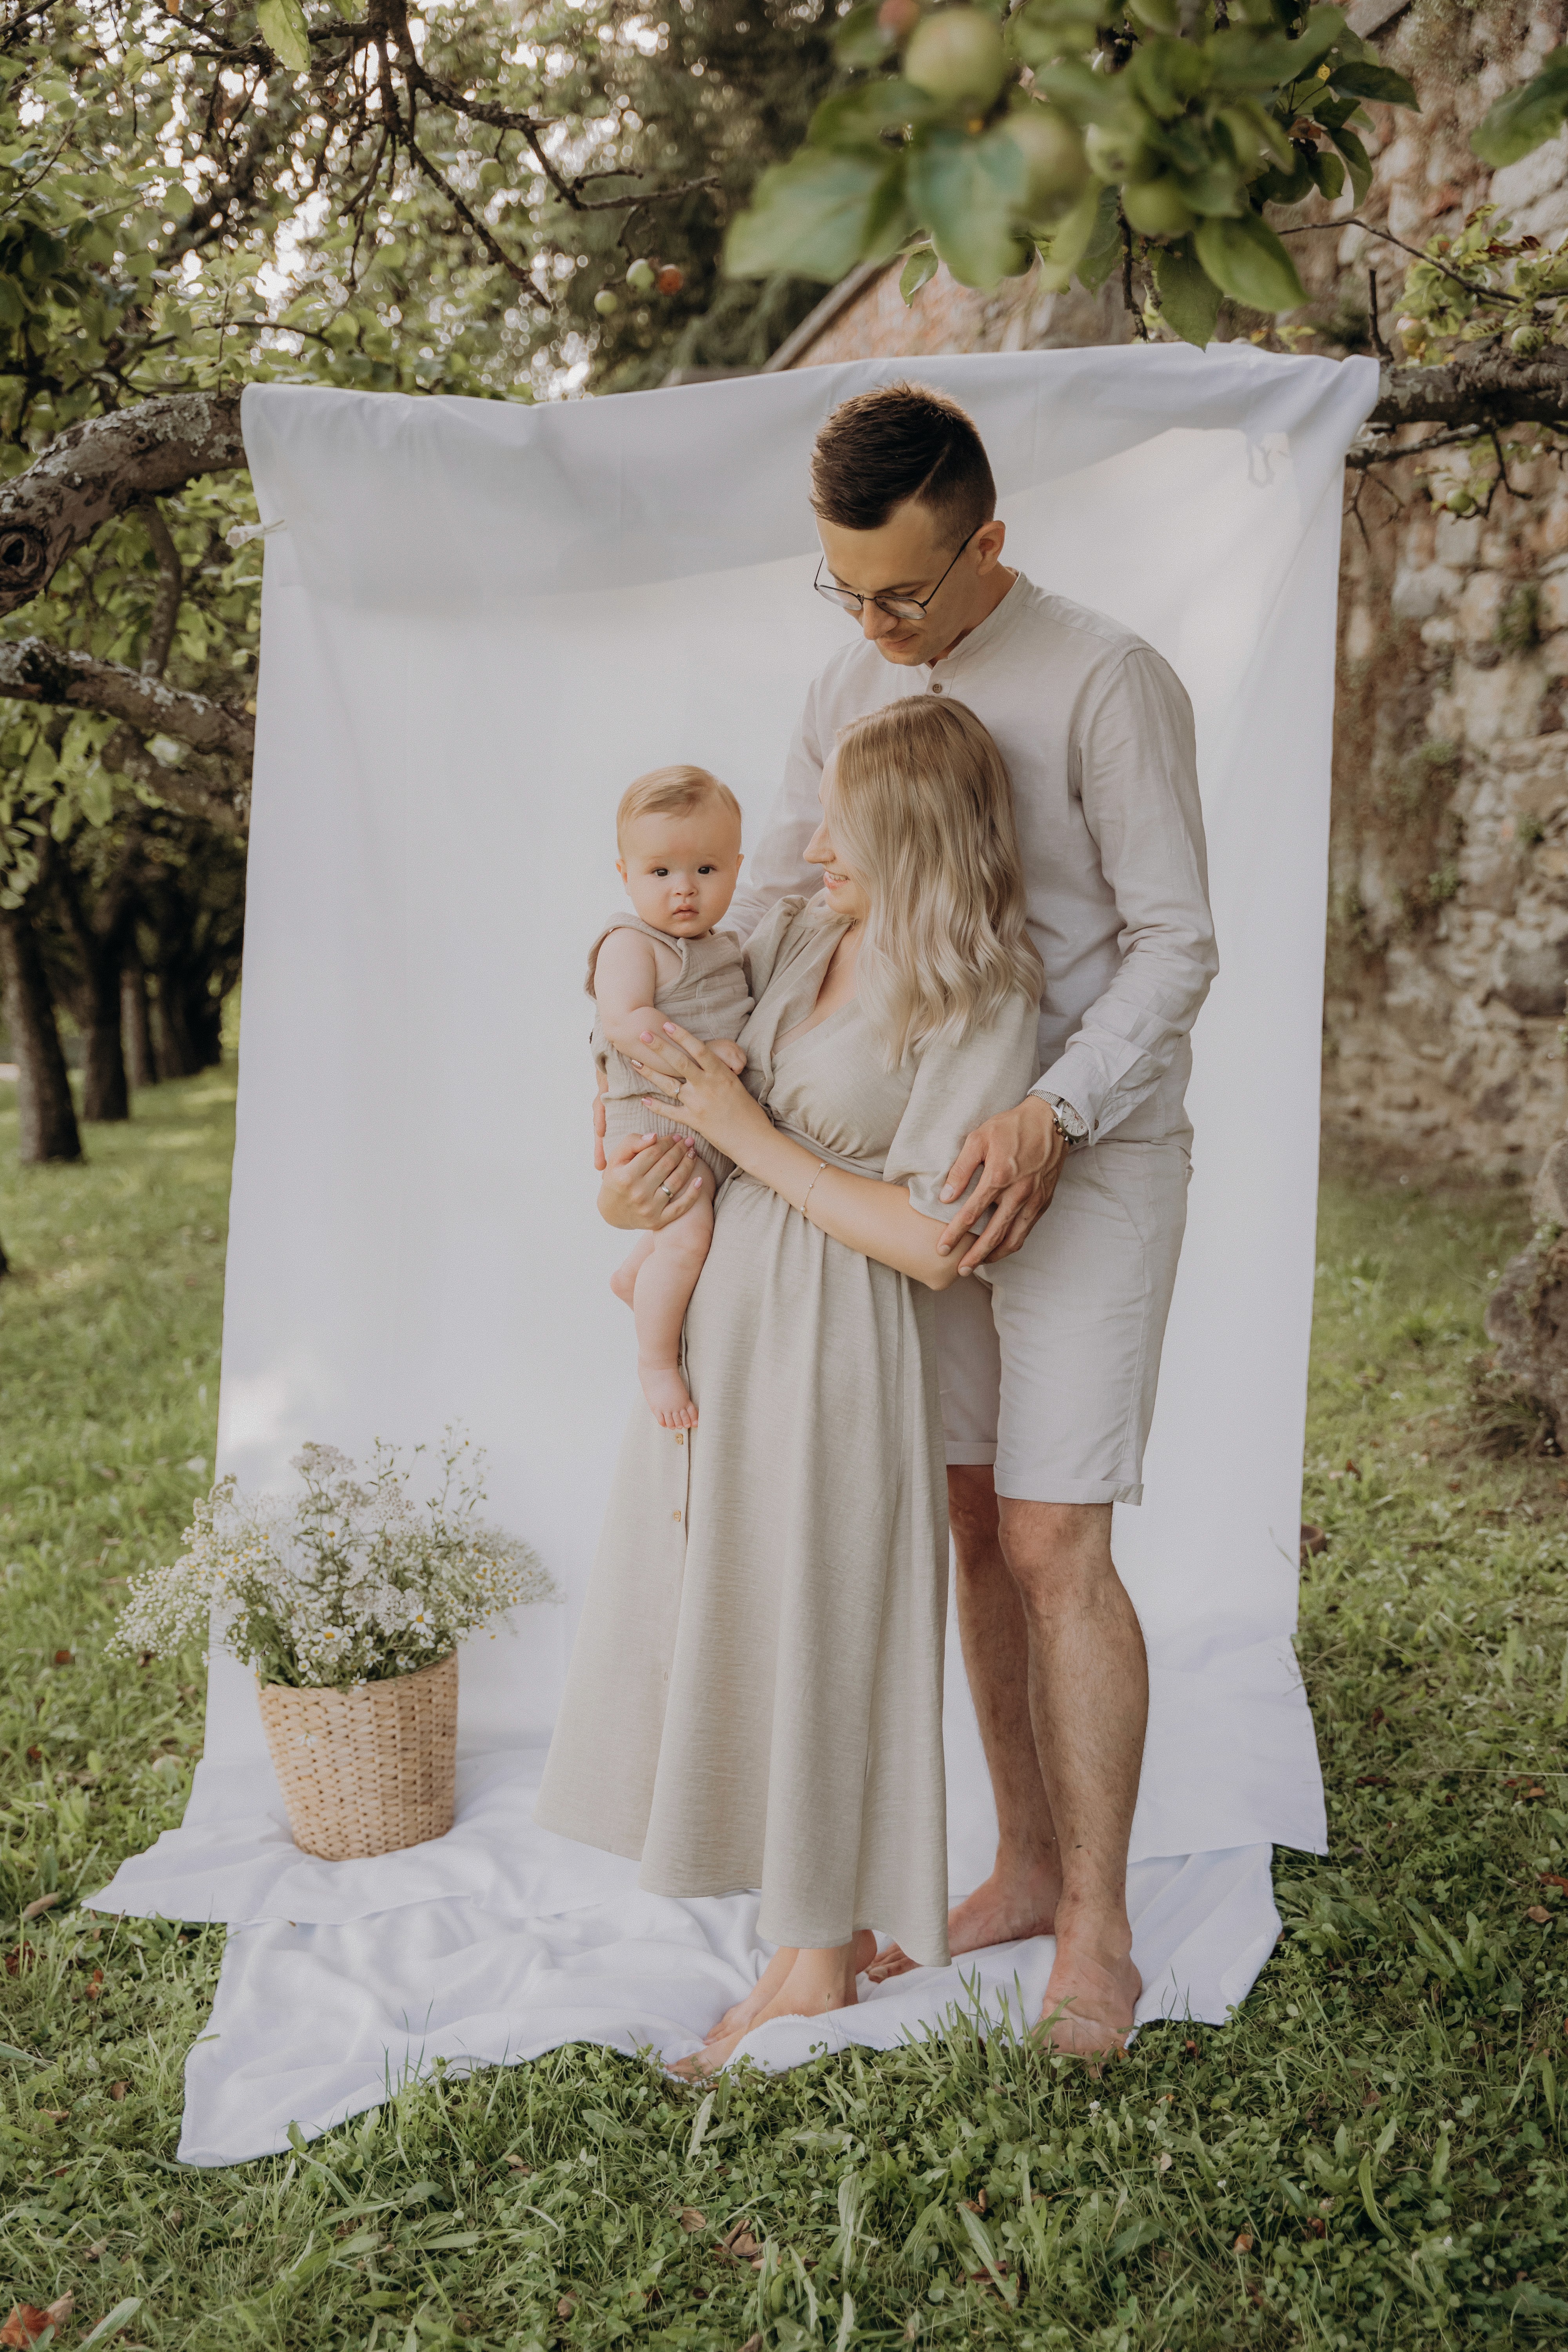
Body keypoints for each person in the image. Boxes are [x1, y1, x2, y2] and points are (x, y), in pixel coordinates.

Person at [604, 380, 1218, 2056]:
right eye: (845, 588)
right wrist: (663, 1024)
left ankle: (1097, 1924)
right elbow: (798, 906)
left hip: (1082, 1153)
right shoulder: (839, 686)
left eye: (904, 594)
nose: (874, 624)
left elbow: (1175, 942)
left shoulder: (1105, 679)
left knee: (1051, 1538)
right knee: (956, 1520)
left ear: (989, 546)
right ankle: (1018, 1865)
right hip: (911, 1166)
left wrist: (1052, 1107)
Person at [537, 697, 1042, 2073]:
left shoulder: (979, 994)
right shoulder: (813, 930)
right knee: (741, 1612)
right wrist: (631, 1190)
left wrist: (744, 1135)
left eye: (844, 824)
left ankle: (819, 1953)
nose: (814, 843)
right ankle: (788, 1923)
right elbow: (677, 1095)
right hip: (731, 1314)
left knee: (820, 1618)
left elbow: (939, 1242)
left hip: (836, 1331)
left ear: (912, 835)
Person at [590, 766, 752, 1430]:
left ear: (737, 870)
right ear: (625, 874)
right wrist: (707, 1059)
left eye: (706, 870)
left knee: (687, 1231)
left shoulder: (725, 947)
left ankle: (636, 1272)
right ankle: (657, 1362)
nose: (684, 888)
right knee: (687, 1240)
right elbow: (625, 1023)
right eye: (660, 872)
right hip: (658, 1129)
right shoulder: (633, 944)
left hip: (706, 1132)